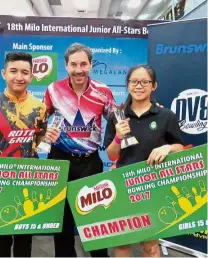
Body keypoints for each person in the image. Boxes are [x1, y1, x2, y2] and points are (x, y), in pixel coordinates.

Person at [0, 52, 59, 257]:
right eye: (14, 71)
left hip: (27, 182)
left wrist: (48, 138)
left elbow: (39, 141)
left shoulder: (40, 108)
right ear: (4, 73)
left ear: (32, 76)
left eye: (25, 72)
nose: (19, 77)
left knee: (24, 242)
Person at [43, 43, 116, 257]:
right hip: (59, 160)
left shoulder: (103, 91)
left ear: (91, 65)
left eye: (83, 64)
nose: (79, 69)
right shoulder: (53, 90)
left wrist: (149, 108)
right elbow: (39, 120)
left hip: (90, 162)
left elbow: (117, 119)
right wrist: (45, 133)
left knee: (94, 220)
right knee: (62, 222)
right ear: (66, 66)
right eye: (73, 64)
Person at [104, 64, 184, 257]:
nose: (139, 86)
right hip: (123, 188)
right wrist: (118, 137)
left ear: (154, 85)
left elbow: (180, 147)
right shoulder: (117, 115)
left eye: (144, 82)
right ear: (127, 85)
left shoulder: (166, 116)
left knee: (150, 247)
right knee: (122, 245)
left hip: (153, 189)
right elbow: (111, 155)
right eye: (134, 81)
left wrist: (168, 147)